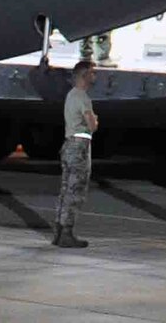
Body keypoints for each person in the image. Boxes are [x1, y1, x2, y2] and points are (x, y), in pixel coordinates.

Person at [52, 58, 100, 248]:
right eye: (92, 72)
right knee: (76, 190)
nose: (94, 76)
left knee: (65, 189)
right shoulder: (83, 97)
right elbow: (92, 125)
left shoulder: (71, 95)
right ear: (84, 75)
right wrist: (95, 121)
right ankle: (67, 233)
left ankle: (59, 230)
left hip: (69, 144)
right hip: (80, 146)